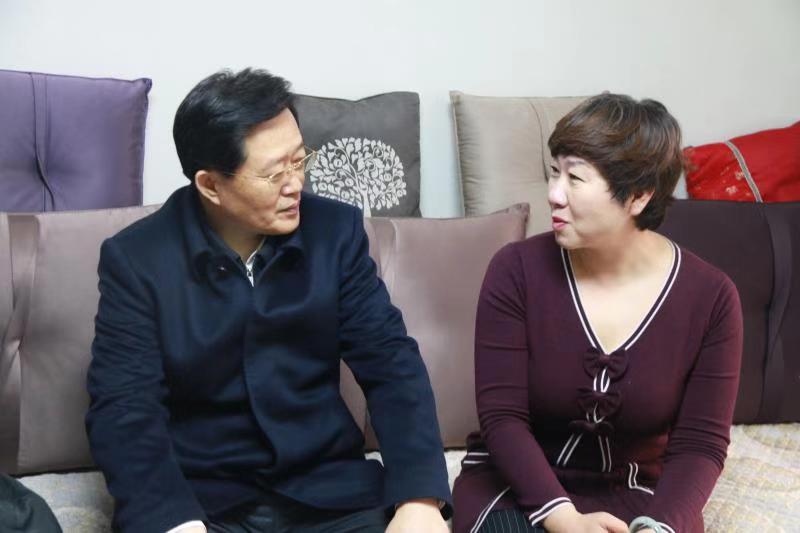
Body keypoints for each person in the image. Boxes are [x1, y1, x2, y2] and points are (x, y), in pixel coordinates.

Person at [85, 68, 451, 533]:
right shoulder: (138, 258)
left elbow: (391, 364)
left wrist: (419, 498)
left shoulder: (334, 232)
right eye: (275, 173)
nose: (295, 184)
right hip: (205, 503)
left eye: (300, 161)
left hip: (330, 495)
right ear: (210, 185)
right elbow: (125, 406)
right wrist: (172, 520)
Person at [452, 94, 743, 533]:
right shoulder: (515, 270)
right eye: (554, 172)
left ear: (639, 196)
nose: (554, 194)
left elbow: (700, 445)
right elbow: (502, 418)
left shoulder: (712, 298)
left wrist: (660, 526)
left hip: (636, 493)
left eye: (575, 178)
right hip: (513, 487)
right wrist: (564, 518)